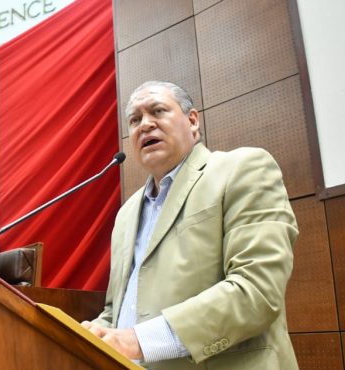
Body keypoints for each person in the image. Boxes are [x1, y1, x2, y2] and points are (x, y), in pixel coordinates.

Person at [81, 81, 298, 369]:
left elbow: (257, 290)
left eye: (157, 111)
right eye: (135, 120)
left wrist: (138, 340)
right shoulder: (126, 214)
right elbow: (117, 309)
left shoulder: (242, 168)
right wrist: (87, 335)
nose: (145, 125)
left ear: (192, 121)